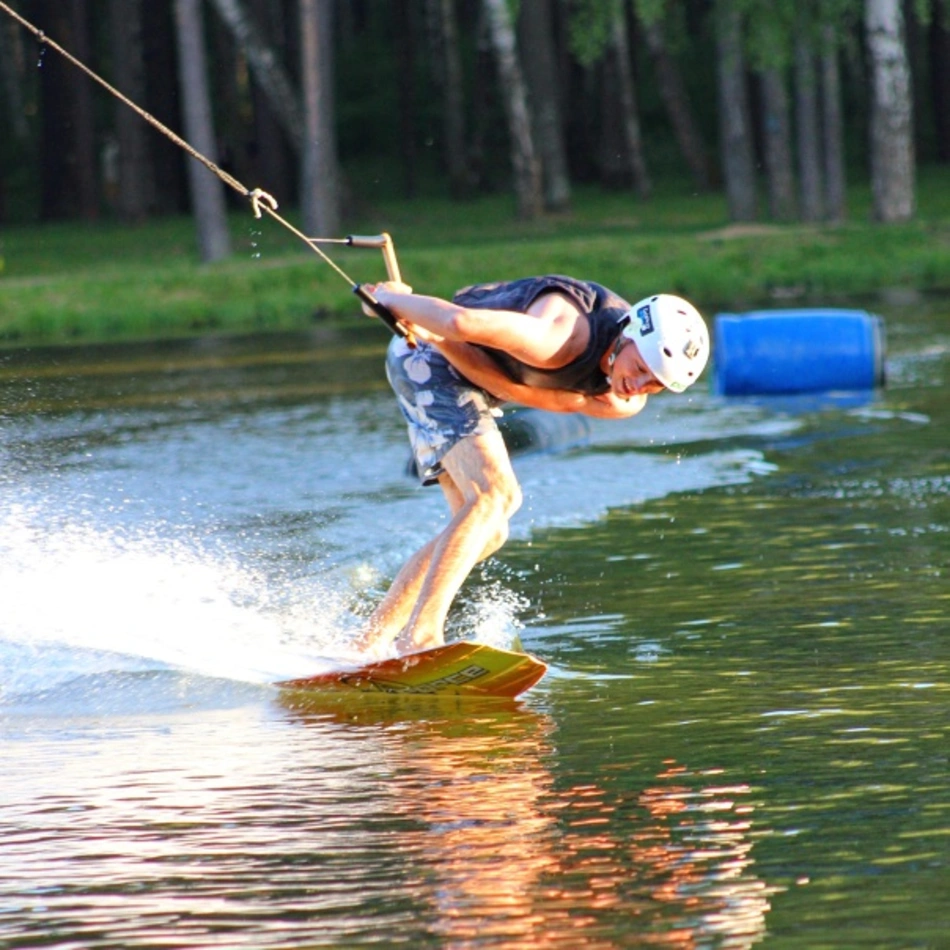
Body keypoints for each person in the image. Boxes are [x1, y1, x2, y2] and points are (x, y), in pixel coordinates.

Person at [354, 275, 709, 657]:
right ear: (628, 336)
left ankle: (366, 644)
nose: (637, 385)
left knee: (489, 533)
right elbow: (458, 324)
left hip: (477, 381)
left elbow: (518, 391)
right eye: (639, 367)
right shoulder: (560, 337)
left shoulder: (621, 401)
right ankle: (420, 635)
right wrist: (389, 299)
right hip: (428, 354)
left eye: (654, 384)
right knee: (496, 495)